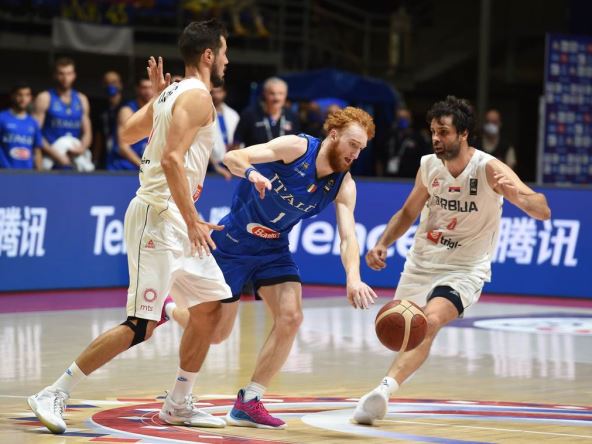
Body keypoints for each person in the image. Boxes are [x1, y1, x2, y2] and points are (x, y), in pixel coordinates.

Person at [28, 19, 232, 434]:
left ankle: (178, 403)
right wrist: (193, 219)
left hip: (174, 217)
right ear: (209, 55)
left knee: (212, 307)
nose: (227, 61)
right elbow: (171, 159)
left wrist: (158, 100)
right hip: (160, 215)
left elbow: (127, 132)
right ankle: (54, 392)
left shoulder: (172, 93)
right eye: (224, 53)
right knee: (141, 326)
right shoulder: (197, 97)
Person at [165, 106, 379, 429]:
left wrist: (354, 278)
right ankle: (171, 309)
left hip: (273, 248)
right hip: (233, 242)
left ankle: (249, 401)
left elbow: (348, 237)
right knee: (216, 334)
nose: (355, 154)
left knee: (291, 317)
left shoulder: (343, 184)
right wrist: (252, 173)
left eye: (361, 148)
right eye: (352, 144)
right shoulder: (297, 148)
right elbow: (233, 158)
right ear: (334, 135)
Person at [352, 96, 551, 425]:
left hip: (465, 269)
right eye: (433, 131)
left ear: (463, 134)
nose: (436, 138)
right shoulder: (429, 165)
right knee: (405, 331)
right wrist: (383, 243)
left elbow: (542, 209)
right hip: (422, 262)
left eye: (443, 131)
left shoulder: (488, 168)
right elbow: (408, 212)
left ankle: (382, 392)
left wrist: (519, 197)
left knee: (427, 322)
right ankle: (383, 390)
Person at [33, 57, 93, 171]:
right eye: (61, 74)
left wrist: (81, 149)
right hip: (50, 158)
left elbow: (87, 132)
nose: (65, 78)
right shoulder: (45, 97)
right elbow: (35, 132)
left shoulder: (82, 99)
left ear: (74, 75)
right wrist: (55, 154)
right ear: (55, 75)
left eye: (69, 73)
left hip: (73, 157)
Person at [232, 76, 300, 149]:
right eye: (272, 93)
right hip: (255, 156)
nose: (276, 98)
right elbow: (236, 143)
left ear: (286, 94)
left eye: (280, 93)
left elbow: (297, 144)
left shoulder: (292, 116)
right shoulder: (249, 114)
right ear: (264, 93)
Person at [106, 76, 153, 170]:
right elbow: (122, 147)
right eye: (144, 87)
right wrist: (143, 167)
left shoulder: (158, 109)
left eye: (151, 87)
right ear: (137, 89)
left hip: (145, 166)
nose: (148, 91)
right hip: (122, 167)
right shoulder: (127, 111)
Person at [377, 107, 430, 178]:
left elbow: (425, 160)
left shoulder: (418, 138)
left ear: (410, 120)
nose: (402, 120)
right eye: (400, 118)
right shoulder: (388, 136)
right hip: (388, 178)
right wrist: (379, 178)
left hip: (409, 179)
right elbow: (379, 159)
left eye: (405, 118)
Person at [0, 83, 43, 170]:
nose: (23, 99)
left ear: (31, 98)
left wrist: (39, 171)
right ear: (12, 96)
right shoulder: (2, 118)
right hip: (4, 172)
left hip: (27, 173)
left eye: (27, 95)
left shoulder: (33, 122)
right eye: (20, 95)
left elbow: (37, 150)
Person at [91, 70, 123, 169]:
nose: (110, 86)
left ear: (120, 84)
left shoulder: (127, 107)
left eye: (114, 82)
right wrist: (95, 160)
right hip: (105, 157)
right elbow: (98, 136)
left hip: (123, 156)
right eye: (107, 83)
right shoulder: (100, 109)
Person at [210, 85, 239, 179]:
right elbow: (199, 143)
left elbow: (239, 140)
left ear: (224, 93)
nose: (215, 95)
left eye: (218, 92)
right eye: (212, 92)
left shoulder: (233, 115)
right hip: (211, 168)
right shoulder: (202, 114)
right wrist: (215, 166)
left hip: (233, 164)